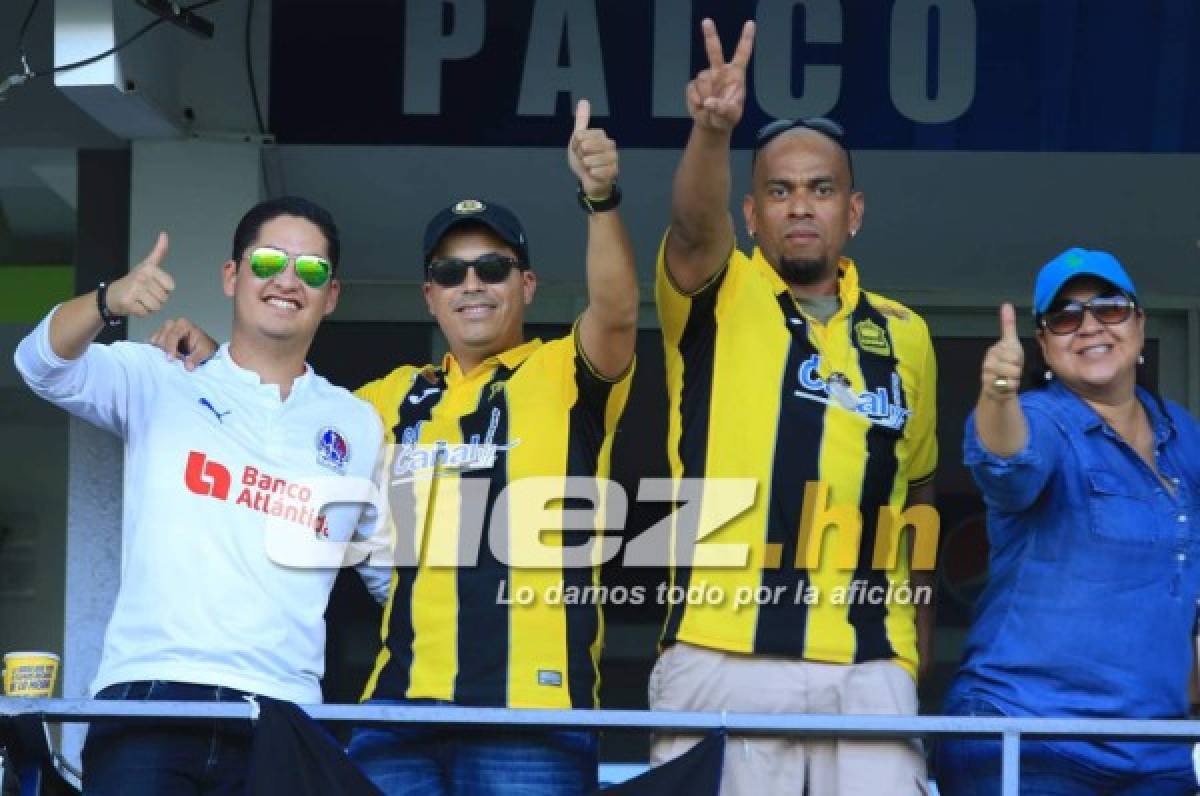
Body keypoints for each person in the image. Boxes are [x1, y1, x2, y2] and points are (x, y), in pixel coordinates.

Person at [149, 101, 638, 795]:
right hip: (397, 711)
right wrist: (213, 359)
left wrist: (600, 199)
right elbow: (285, 419)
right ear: (429, 296)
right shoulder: (387, 400)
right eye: (450, 273)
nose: (472, 284)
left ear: (526, 285)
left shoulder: (565, 371)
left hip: (531, 712)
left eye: (493, 267)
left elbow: (616, 312)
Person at [648, 18, 939, 795]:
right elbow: (691, 227)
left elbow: (917, 495)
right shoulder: (719, 294)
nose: (800, 205)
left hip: (870, 665)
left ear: (854, 211)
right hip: (722, 651)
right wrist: (713, 131)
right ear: (751, 215)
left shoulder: (905, 334)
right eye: (779, 191)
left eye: (821, 189)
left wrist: (913, 651)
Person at [13, 196, 389, 794]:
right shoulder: (162, 375)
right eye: (268, 261)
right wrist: (108, 301)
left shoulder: (358, 423)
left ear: (332, 295)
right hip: (150, 696)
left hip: (284, 713)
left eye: (312, 269)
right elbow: (39, 364)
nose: (288, 280)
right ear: (232, 276)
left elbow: (392, 577)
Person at [938, 248, 1200, 795]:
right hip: (1028, 734)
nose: (1089, 326)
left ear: (1139, 323)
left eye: (1109, 308)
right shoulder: (1042, 416)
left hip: (1154, 749)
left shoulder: (1181, 433)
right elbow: (1007, 464)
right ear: (1044, 345)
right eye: (1064, 317)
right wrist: (998, 395)